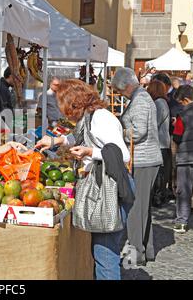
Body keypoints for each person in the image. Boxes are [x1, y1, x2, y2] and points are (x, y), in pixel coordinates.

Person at [35, 79, 132, 280]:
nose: (63, 113)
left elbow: (123, 155)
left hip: (110, 190)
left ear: (74, 103)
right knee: (102, 252)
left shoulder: (101, 118)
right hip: (101, 187)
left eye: (63, 106)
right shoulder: (88, 118)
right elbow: (82, 137)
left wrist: (90, 152)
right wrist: (55, 140)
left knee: (105, 255)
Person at [111, 67, 162, 266]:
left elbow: (138, 132)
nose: (120, 94)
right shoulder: (141, 97)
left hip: (144, 160)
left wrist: (118, 132)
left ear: (127, 86)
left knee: (135, 208)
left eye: (120, 90)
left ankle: (136, 253)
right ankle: (146, 250)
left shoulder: (140, 99)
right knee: (142, 208)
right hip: (145, 160)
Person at [172, 85, 193, 235]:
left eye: (181, 102)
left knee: (183, 191)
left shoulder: (182, 115)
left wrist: (174, 158)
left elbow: (177, 137)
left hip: (186, 158)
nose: (181, 105)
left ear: (185, 100)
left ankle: (181, 222)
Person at [146, 80, 172, 207]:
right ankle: (159, 195)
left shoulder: (159, 103)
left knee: (160, 173)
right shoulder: (161, 103)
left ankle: (158, 197)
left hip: (160, 143)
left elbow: (154, 124)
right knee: (161, 172)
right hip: (162, 143)